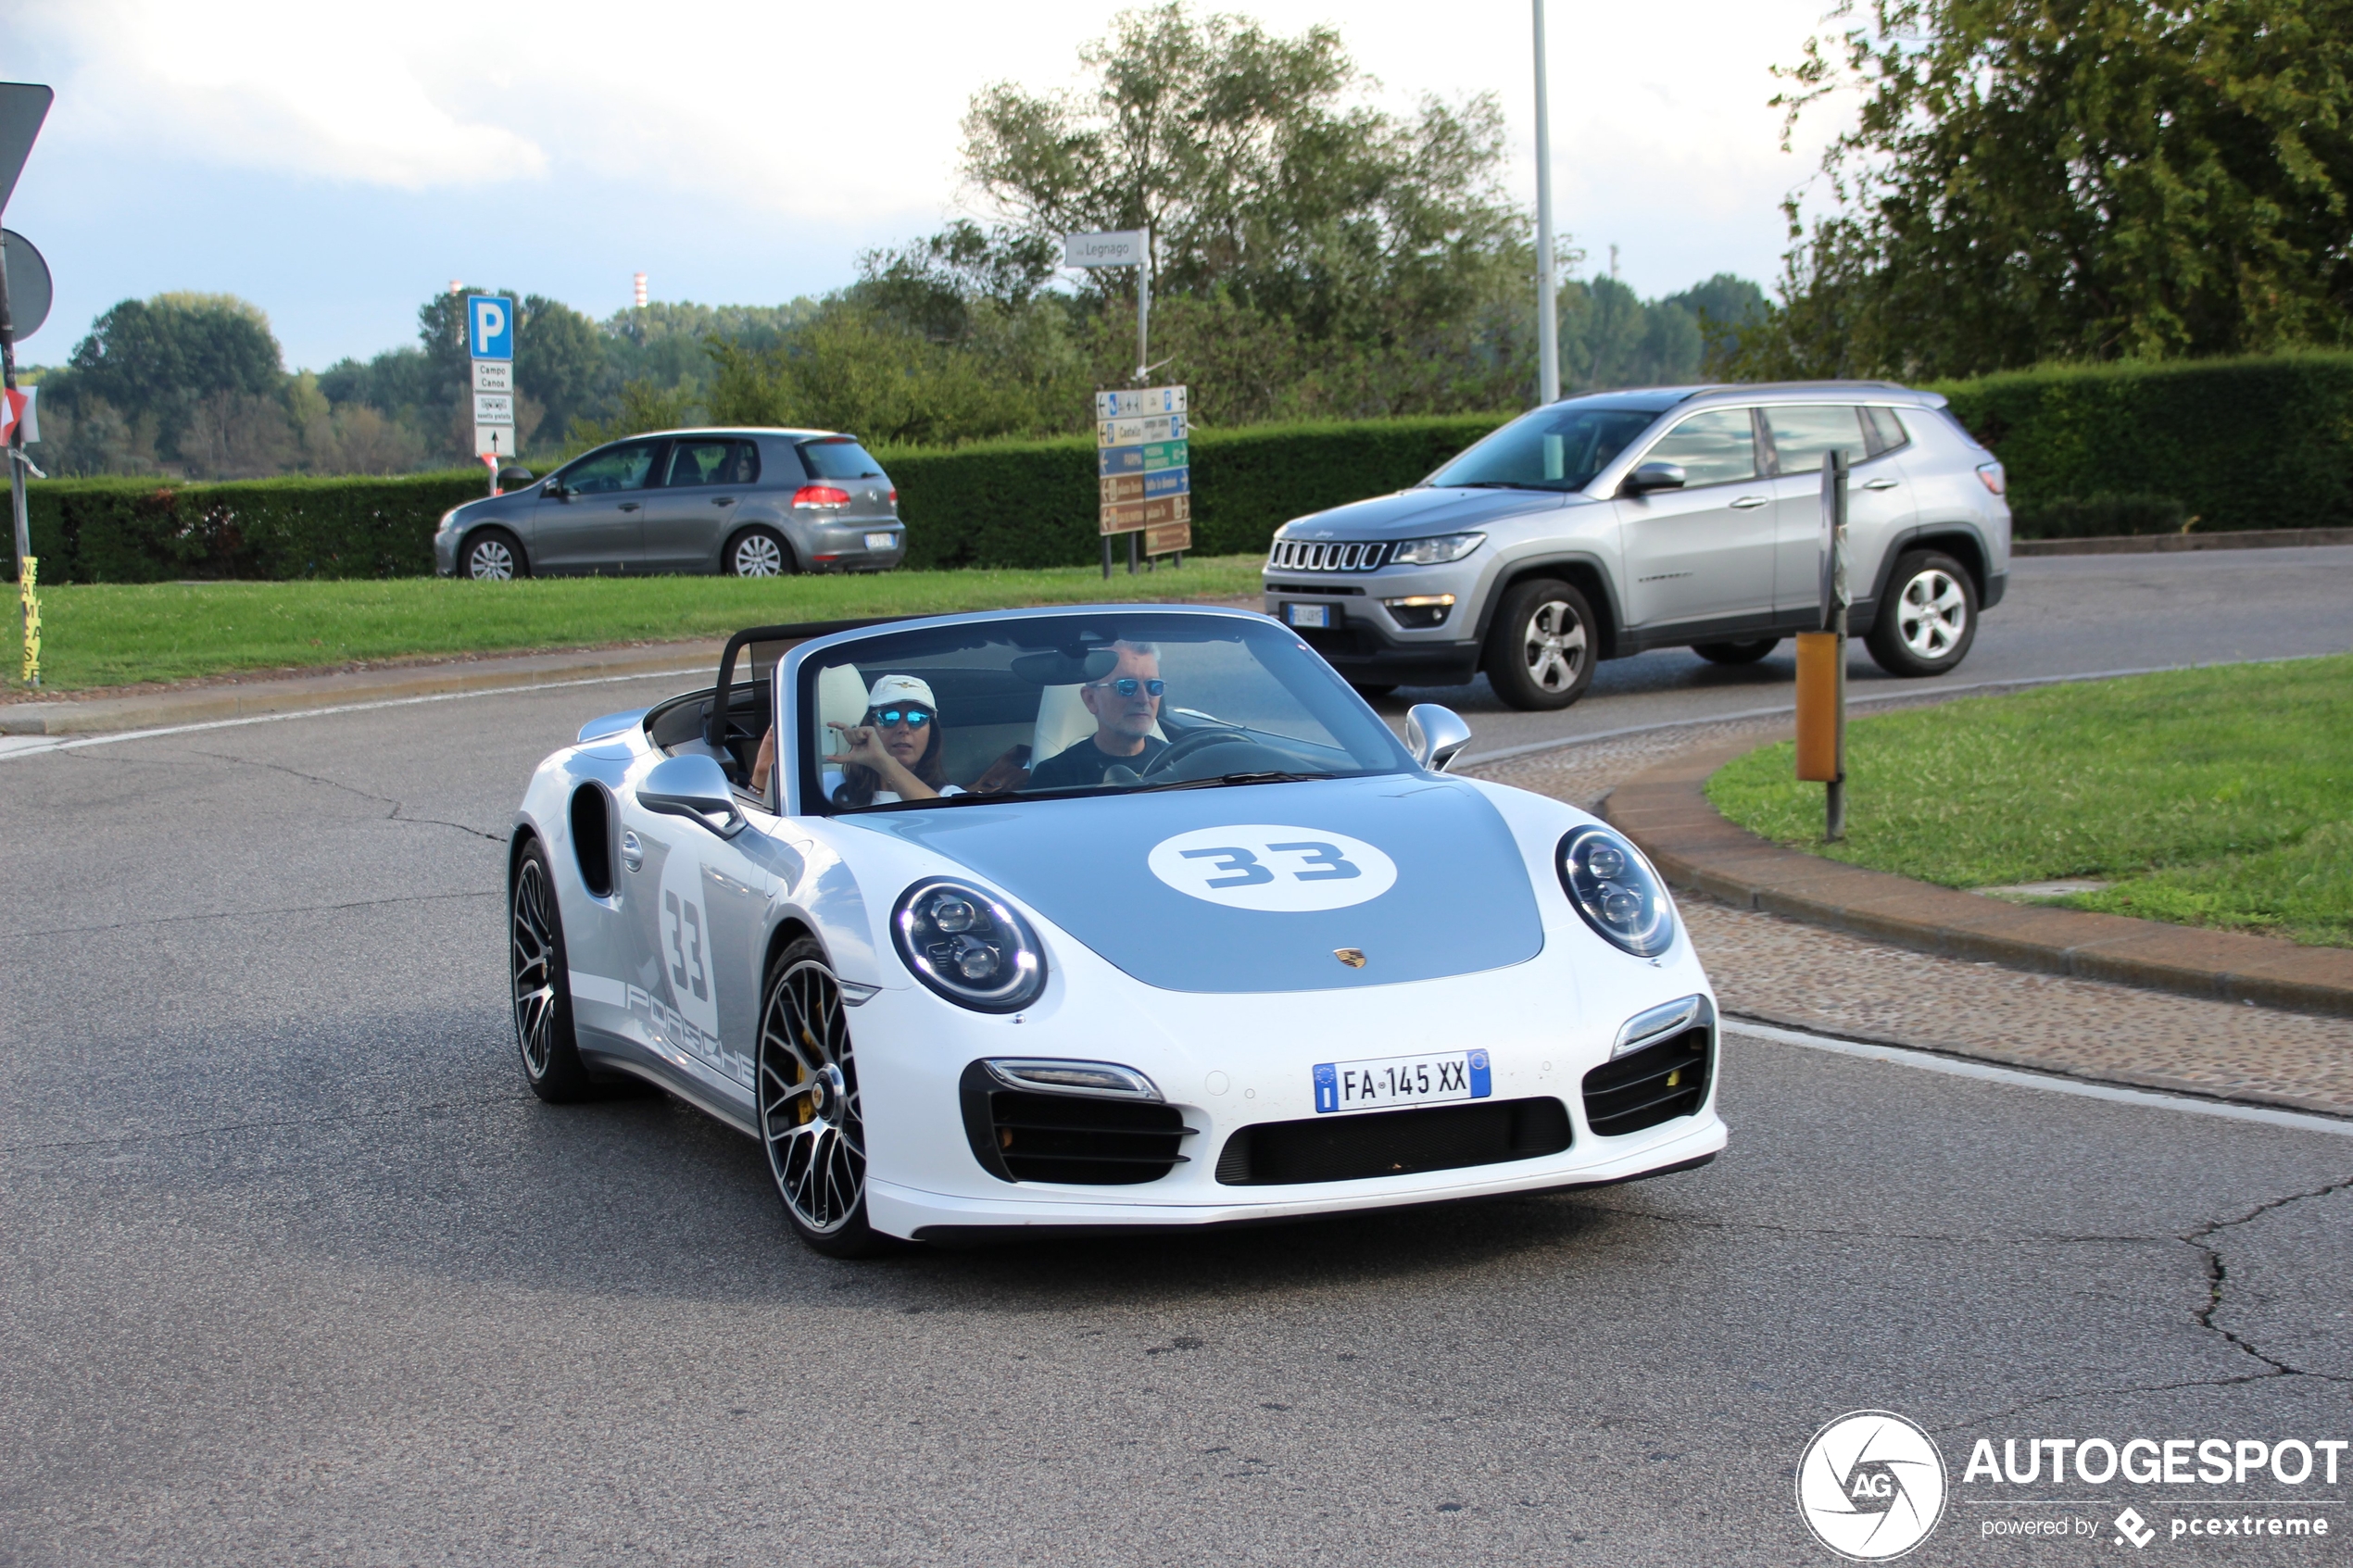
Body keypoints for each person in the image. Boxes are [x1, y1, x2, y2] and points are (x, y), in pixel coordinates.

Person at [1025, 640, 1168, 789]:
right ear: (1091, 699)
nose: (1143, 699)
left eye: (1154, 686)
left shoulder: (1180, 761)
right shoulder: (1054, 777)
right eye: (1126, 686)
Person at [824, 674, 962, 806]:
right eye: (889, 717)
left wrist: (883, 763)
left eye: (917, 718)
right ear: (870, 726)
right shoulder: (828, 786)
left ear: (932, 733)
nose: (903, 728)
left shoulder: (951, 797)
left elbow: (943, 819)